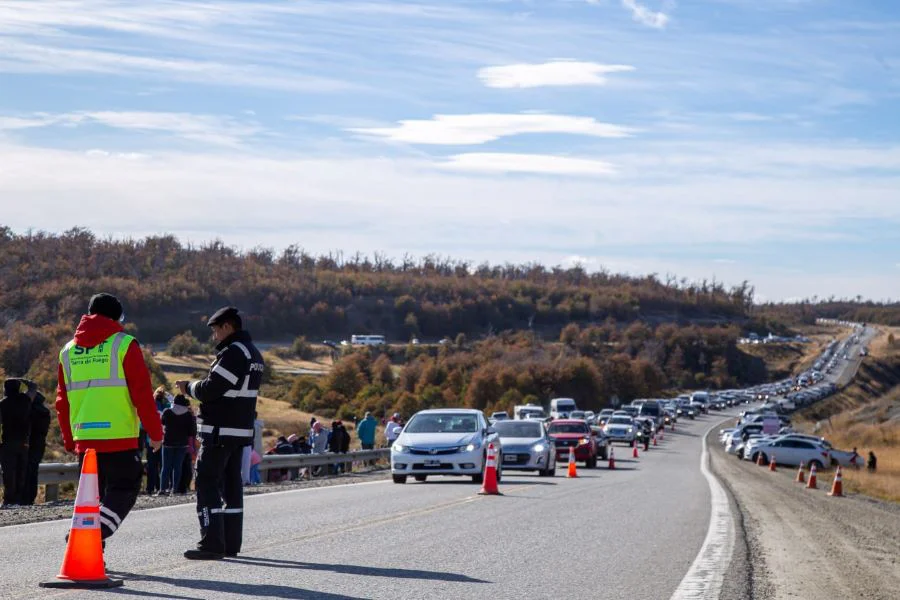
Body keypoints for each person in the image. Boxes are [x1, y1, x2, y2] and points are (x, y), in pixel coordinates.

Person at [55, 293, 163, 542]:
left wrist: (70, 440)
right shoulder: (123, 344)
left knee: (91, 500)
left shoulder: (67, 351)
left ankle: (89, 558)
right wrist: (155, 434)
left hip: (85, 438)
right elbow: (143, 395)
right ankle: (87, 536)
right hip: (119, 437)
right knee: (124, 490)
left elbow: (62, 402)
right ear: (116, 317)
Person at [176, 306, 263, 561]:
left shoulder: (234, 352)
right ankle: (230, 542)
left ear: (227, 326)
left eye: (216, 330)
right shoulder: (253, 352)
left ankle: (212, 542)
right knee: (231, 486)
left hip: (219, 430)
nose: (215, 336)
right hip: (238, 431)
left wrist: (188, 387)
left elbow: (212, 388)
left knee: (206, 482)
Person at [1, 379, 32, 508]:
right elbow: (33, 388)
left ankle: (10, 499)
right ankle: (19, 499)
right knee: (21, 471)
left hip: (8, 442)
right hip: (24, 442)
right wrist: (23, 380)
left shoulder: (3, 404)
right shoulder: (25, 400)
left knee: (9, 472)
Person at [159, 394, 196, 495]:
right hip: (182, 444)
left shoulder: (167, 411)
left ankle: (163, 489)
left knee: (165, 467)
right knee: (177, 467)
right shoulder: (188, 415)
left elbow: (162, 423)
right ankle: (175, 489)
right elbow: (192, 432)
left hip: (168, 443)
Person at [21, 381, 51, 505]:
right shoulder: (45, 412)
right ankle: (31, 497)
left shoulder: (30, 411)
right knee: (34, 470)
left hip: (30, 443)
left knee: (26, 470)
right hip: (40, 444)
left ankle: (25, 497)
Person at [145, 388, 169, 495]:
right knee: (162, 465)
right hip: (164, 439)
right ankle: (161, 487)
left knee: (152, 465)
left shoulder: (150, 406)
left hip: (151, 439)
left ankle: (150, 488)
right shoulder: (167, 407)